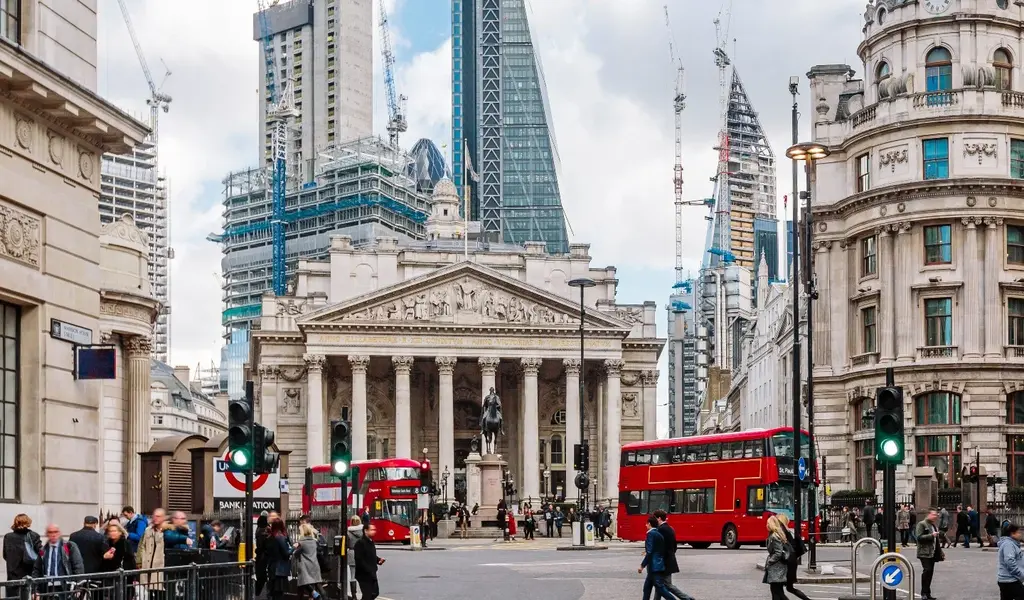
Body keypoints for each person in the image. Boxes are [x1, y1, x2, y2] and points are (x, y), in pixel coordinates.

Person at [651, 510, 694, 600]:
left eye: (654, 518)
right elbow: (674, 546)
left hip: (664, 561)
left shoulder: (661, 530)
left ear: (658, 518)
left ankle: (686, 598)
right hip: (669, 559)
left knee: (666, 585)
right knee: (660, 584)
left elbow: (661, 547)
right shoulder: (670, 528)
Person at [32, 524, 85, 595]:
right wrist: (36, 591)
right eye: (50, 532)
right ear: (47, 534)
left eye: (55, 532)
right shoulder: (43, 550)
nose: (53, 535)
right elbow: (37, 570)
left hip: (65, 586)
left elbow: (78, 566)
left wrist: (78, 587)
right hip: (47, 588)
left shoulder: (70, 546)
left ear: (59, 533)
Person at [775, 514, 811, 600]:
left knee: (778, 589)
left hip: (787, 561)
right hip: (793, 560)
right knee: (789, 588)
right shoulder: (790, 531)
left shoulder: (781, 531)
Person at [135, 508, 166, 597]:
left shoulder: (166, 531)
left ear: (163, 518)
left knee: (159, 593)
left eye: (158, 516)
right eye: (154, 516)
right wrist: (139, 561)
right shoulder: (147, 530)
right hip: (147, 567)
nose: (155, 518)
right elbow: (141, 545)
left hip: (160, 569)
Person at [3, 513, 41, 585]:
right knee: (28, 595)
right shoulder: (34, 536)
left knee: (13, 595)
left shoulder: (8, 537)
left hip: (12, 575)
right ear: (28, 522)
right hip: (29, 575)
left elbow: (5, 555)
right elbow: (40, 554)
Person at [914, 508, 942, 600]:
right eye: (934, 515)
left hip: (932, 552)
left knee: (930, 573)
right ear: (929, 515)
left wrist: (940, 552)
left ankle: (928, 593)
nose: (936, 516)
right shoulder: (921, 524)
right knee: (927, 571)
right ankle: (923, 593)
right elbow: (919, 537)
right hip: (924, 552)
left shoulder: (933, 525)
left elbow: (936, 541)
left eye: (936, 515)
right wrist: (931, 535)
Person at [292, 523, 325, 600]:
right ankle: (323, 597)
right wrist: (317, 532)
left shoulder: (301, 543)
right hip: (314, 565)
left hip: (305, 568)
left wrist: (294, 548)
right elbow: (322, 544)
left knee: (302, 587)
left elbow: (296, 554)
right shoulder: (314, 542)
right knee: (316, 585)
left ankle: (316, 595)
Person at [354, 522, 385, 600]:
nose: (374, 531)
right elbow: (359, 559)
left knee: (375, 593)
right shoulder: (360, 543)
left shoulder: (371, 541)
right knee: (367, 595)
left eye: (374, 530)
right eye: (371, 530)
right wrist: (368, 570)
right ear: (365, 531)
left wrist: (378, 560)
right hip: (364, 575)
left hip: (372, 573)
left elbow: (371, 555)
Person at [763, 516, 792, 600]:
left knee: (777, 591)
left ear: (771, 525)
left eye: (768, 523)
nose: (766, 525)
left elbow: (778, 553)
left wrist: (770, 561)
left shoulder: (774, 537)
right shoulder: (775, 534)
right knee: (776, 591)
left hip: (777, 567)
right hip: (778, 567)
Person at [265, 519, 292, 600]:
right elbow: (286, 552)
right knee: (279, 594)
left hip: (272, 568)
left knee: (273, 594)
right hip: (280, 570)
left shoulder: (270, 537)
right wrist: (294, 547)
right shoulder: (280, 537)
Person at [998, 522, 1024, 599]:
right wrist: (1020, 574)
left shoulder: (1012, 544)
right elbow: (1010, 561)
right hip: (1010, 580)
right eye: (1019, 532)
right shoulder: (1008, 544)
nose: (1020, 534)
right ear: (1012, 534)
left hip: (1006, 579)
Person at [346, 516, 363, 600]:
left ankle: (354, 595)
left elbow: (346, 544)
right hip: (361, 553)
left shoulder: (348, 532)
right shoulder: (363, 531)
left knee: (352, 575)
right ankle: (365, 592)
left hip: (352, 553)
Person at [254, 514, 271, 597]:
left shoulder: (258, 530)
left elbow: (259, 546)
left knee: (260, 576)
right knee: (263, 577)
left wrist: (257, 551)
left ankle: (257, 593)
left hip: (261, 557)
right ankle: (260, 593)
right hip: (265, 556)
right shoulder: (266, 531)